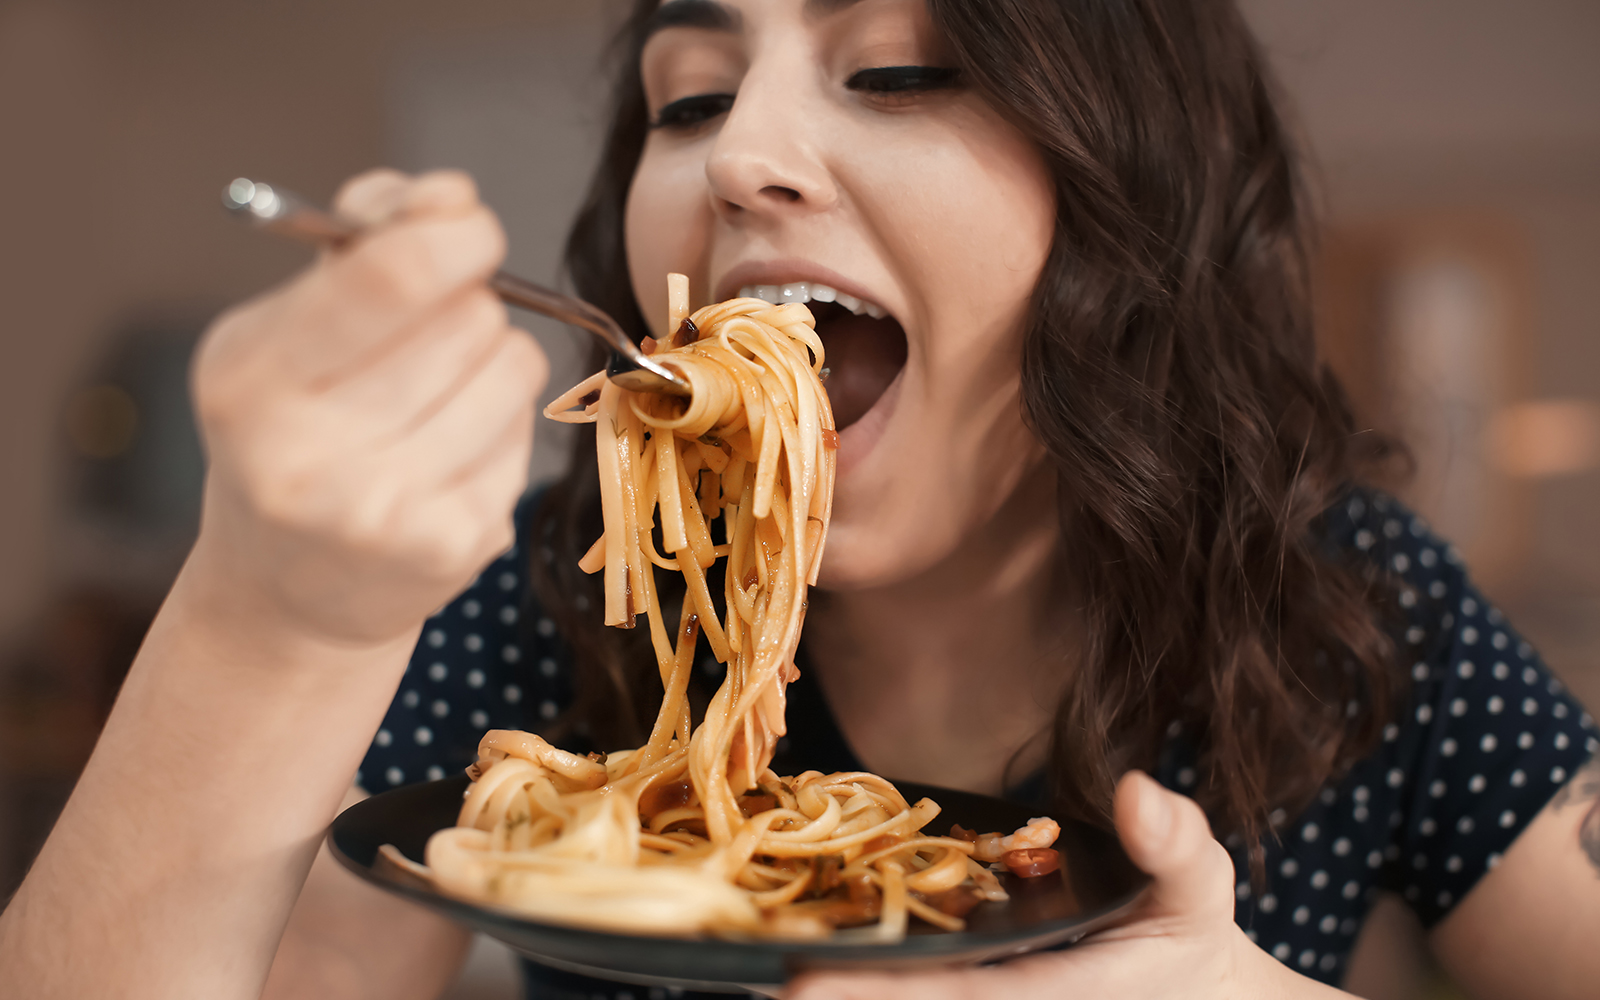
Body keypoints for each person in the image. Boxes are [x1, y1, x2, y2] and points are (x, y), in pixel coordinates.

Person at [2, 0, 1597, 998]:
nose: (741, 153)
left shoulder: (1347, 608)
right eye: (689, 97)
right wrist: (265, 619)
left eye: (897, 68)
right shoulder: (560, 591)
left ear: (1140, 213)